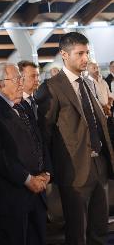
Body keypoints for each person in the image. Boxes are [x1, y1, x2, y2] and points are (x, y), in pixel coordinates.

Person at [36, 32, 114, 245]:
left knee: (99, 229)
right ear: (64, 54)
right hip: (72, 169)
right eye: (80, 54)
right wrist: (50, 169)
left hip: (98, 164)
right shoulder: (51, 87)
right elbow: (44, 132)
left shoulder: (87, 83)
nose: (85, 58)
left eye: (86, 53)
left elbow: (98, 122)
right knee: (77, 232)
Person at [0, 63, 51, 245]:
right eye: (17, 79)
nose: (21, 83)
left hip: (37, 193)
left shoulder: (24, 105)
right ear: (0, 84)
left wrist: (46, 172)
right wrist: (27, 179)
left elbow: (39, 141)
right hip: (11, 196)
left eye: (21, 78)